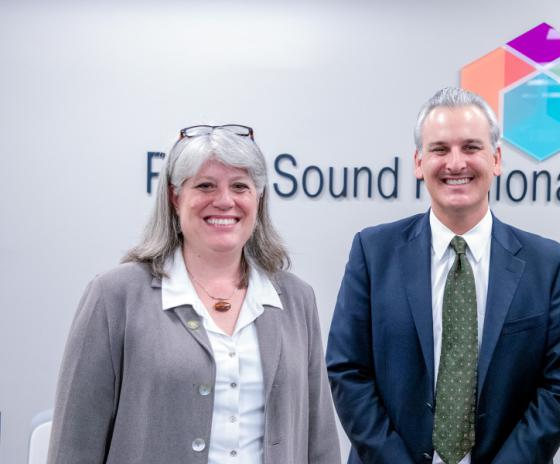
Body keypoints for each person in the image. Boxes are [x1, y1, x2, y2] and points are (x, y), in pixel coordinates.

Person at [48, 125, 341, 463]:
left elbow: (320, 441)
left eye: (240, 186)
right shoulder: (115, 296)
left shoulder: (296, 299)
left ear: (258, 199)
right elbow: (76, 442)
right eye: (205, 185)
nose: (225, 201)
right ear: (175, 197)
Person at [326, 87, 560, 463]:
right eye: (440, 149)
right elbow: (348, 369)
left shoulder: (547, 264)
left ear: (496, 159)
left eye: (471, 147)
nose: (456, 163)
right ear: (418, 163)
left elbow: (559, 384)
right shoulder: (373, 252)